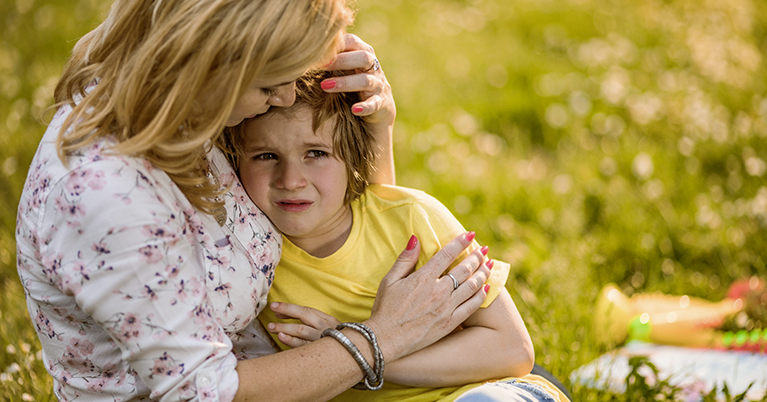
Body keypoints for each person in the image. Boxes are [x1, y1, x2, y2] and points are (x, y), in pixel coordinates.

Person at [15, 1, 495, 400]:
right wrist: (382, 338)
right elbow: (205, 392)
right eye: (270, 84)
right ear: (210, 64)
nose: (286, 97)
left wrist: (373, 130)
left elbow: (351, 224)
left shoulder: (188, 110)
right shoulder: (109, 196)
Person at [231, 69, 570, 402]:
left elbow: (512, 349)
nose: (290, 179)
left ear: (352, 156)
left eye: (316, 153)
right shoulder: (247, 253)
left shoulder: (408, 215)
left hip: (479, 393)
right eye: (266, 156)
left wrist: (354, 351)